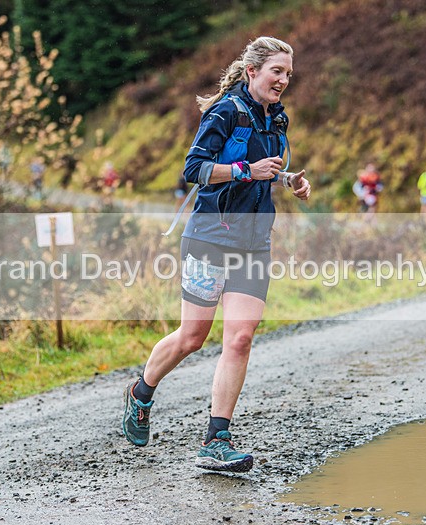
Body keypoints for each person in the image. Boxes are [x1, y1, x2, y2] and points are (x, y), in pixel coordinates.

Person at [121, 36, 310, 473]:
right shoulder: (225, 111)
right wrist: (246, 171)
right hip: (209, 238)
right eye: (276, 72)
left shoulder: (277, 120)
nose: (283, 81)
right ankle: (141, 392)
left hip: (254, 241)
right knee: (192, 337)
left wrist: (290, 181)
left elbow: (268, 170)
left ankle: (216, 439)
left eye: (288, 74)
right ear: (252, 72)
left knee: (240, 338)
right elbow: (194, 170)